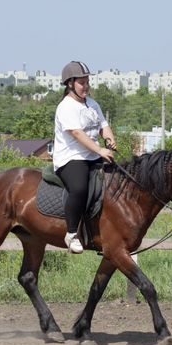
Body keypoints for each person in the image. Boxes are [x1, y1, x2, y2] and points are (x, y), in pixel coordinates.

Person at [53, 61, 117, 254]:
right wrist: (100, 151)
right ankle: (72, 234)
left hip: (93, 155)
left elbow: (103, 124)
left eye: (87, 81)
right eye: (82, 82)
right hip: (71, 158)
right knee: (79, 188)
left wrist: (109, 137)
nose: (86, 86)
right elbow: (77, 134)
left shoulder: (92, 104)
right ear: (70, 84)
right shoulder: (66, 107)